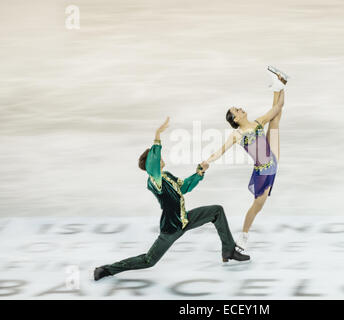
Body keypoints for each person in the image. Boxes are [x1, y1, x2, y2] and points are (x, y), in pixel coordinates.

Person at [94, 117, 249, 281]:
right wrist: (157, 134)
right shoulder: (154, 181)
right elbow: (153, 164)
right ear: (151, 164)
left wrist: (199, 172)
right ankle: (106, 270)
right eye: (157, 158)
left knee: (216, 211)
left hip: (185, 219)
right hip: (171, 228)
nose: (161, 158)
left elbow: (183, 187)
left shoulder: (166, 176)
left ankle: (229, 250)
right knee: (149, 260)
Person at [204, 66, 288, 250]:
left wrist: (283, 87)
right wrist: (207, 162)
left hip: (272, 158)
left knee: (275, 119)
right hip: (263, 171)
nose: (241, 109)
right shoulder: (237, 134)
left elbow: (277, 108)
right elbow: (220, 151)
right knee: (258, 205)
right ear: (235, 119)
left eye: (239, 108)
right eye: (237, 111)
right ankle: (243, 236)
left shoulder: (258, 122)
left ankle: (277, 84)